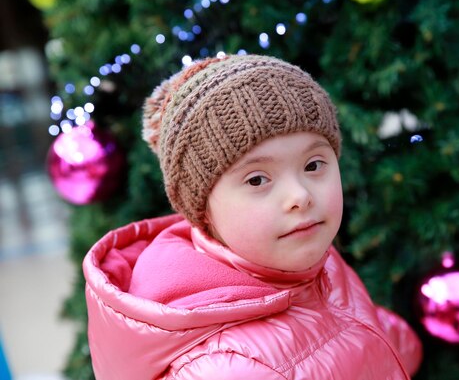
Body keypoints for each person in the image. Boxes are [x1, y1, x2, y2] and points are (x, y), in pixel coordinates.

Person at [83, 54, 423, 379]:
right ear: (203, 211)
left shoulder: (309, 261)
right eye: (257, 179)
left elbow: (345, 328)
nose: (300, 197)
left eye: (313, 165)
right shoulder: (228, 369)